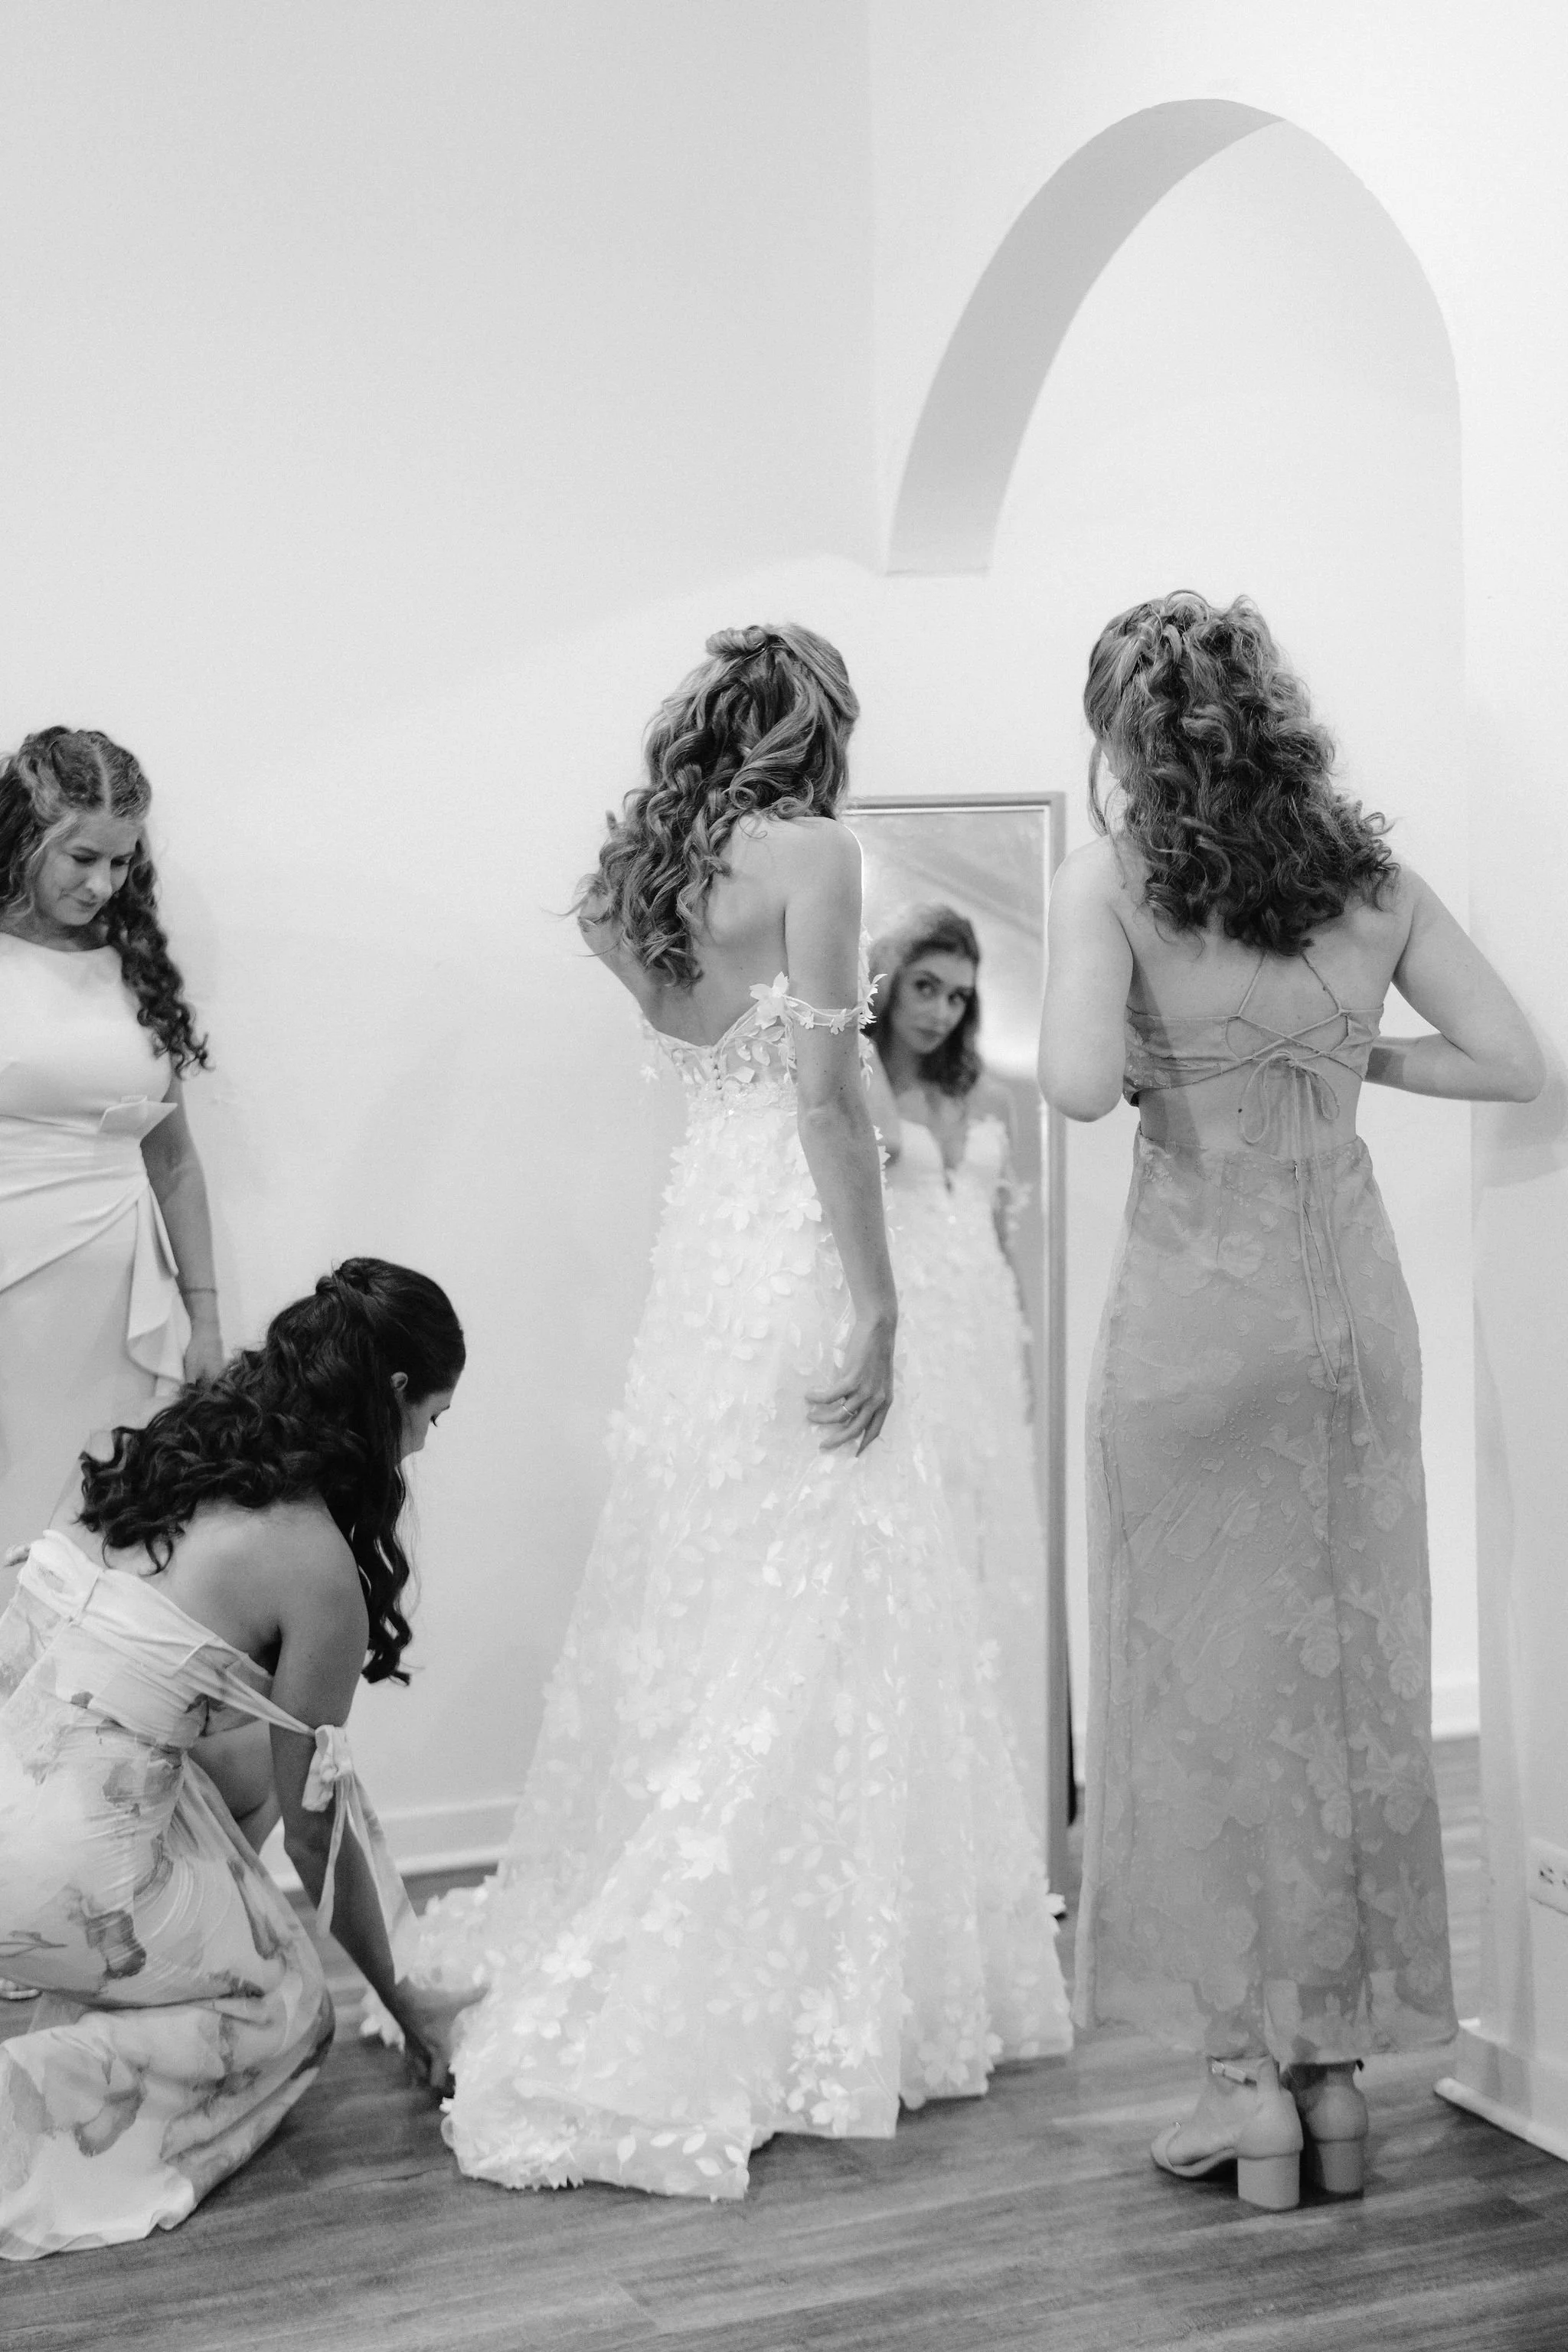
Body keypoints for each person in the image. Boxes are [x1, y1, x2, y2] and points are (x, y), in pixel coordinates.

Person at [387, 623, 1070, 2201]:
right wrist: (879, 1298)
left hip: (706, 1249)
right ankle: (810, 1971)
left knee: (717, 1582)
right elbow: (826, 1100)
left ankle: (798, 1941)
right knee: (828, 1573)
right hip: (796, 1243)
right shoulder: (815, 854)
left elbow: (703, 1038)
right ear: (819, 729)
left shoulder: (636, 886)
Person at [1039, 591, 1543, 2210]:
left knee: (1198, 1694)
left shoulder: (1109, 879)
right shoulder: (1370, 882)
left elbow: (1074, 1085)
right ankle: (1334, 2086)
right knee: (1345, 1693)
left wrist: (1154, 1044)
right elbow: (1513, 1057)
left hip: (1195, 1324)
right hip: (1348, 1330)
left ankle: (1243, 2087)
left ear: (1126, 736)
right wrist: (1352, 1056)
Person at [0, 1259, 473, 2260]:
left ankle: (52, 1979)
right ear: (393, 1394)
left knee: (231, 1761)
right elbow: (315, 1835)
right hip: (55, 1871)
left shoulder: (157, 1451)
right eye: (433, 1415)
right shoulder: (316, 1568)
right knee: (288, 2005)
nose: (427, 1443)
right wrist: (409, 2008)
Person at [0, 728, 224, 1582]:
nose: (103, 885)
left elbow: (174, 1163)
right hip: (12, 1303)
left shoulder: (134, 967)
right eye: (83, 858)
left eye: (123, 862)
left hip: (122, 1312)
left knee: (87, 1548)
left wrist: (206, 1322)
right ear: (24, 838)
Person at [866, 903, 1051, 1841]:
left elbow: (1002, 1239)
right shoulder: (857, 1083)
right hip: (909, 1337)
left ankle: (1004, 1807)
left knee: (990, 1544)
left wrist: (1019, 1348)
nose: (939, 1010)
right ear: (889, 981)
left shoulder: (991, 1099)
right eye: (925, 986)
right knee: (917, 1545)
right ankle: (915, 1800)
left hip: (980, 1335)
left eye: (956, 996)